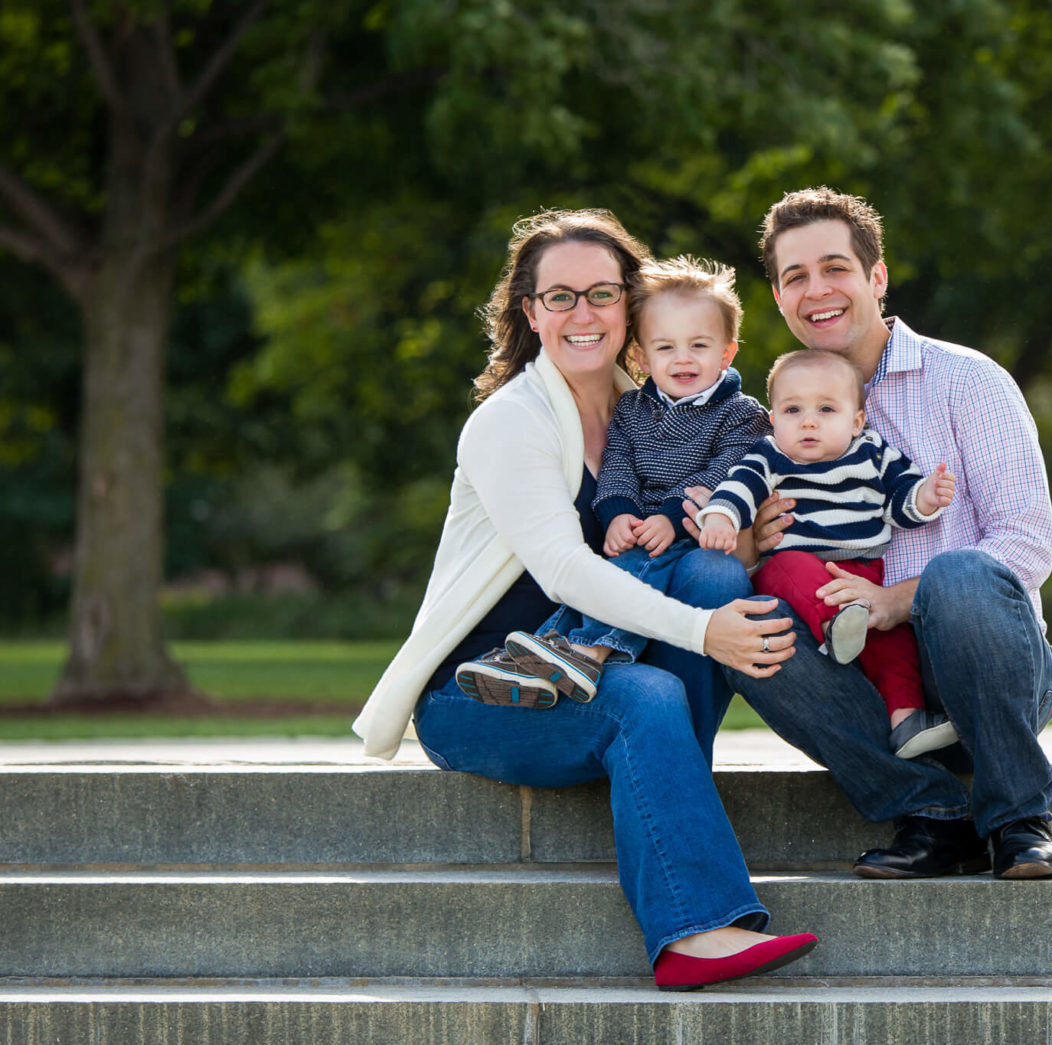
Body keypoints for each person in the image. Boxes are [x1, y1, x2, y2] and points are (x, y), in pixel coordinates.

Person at [351, 209, 817, 990]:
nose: (581, 313)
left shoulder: (657, 407)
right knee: (646, 692)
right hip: (482, 691)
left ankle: (666, 789)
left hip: (594, 667)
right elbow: (567, 571)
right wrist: (705, 634)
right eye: (558, 296)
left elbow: (692, 556)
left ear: (629, 307)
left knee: (712, 576)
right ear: (530, 311)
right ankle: (694, 932)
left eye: (601, 293)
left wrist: (739, 529)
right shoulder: (511, 422)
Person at [707, 187, 1052, 881]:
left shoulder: (968, 380)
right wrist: (749, 539)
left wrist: (897, 598)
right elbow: (752, 555)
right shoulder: (780, 419)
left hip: (988, 676)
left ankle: (1019, 819)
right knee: (735, 624)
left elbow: (1026, 543)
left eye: (835, 267)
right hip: (863, 688)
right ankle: (931, 815)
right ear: (779, 300)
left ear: (876, 277)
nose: (817, 290)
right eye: (795, 277)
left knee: (959, 573)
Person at [455, 256, 771, 704]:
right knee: (617, 572)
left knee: (636, 569)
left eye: (699, 346)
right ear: (642, 357)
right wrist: (618, 511)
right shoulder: (632, 408)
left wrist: (668, 514)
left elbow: (729, 467)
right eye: (665, 348)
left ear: (727, 351)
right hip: (642, 528)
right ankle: (550, 655)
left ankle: (588, 651)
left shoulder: (741, 413)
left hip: (691, 528)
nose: (683, 359)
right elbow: (617, 462)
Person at [695, 348, 960, 759]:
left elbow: (899, 504)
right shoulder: (770, 456)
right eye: (792, 409)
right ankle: (836, 625)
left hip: (862, 575)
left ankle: (905, 719)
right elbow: (738, 487)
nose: (809, 421)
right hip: (796, 567)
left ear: (856, 421)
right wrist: (721, 517)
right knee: (790, 564)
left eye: (826, 409)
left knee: (894, 644)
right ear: (773, 419)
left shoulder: (873, 453)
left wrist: (926, 496)